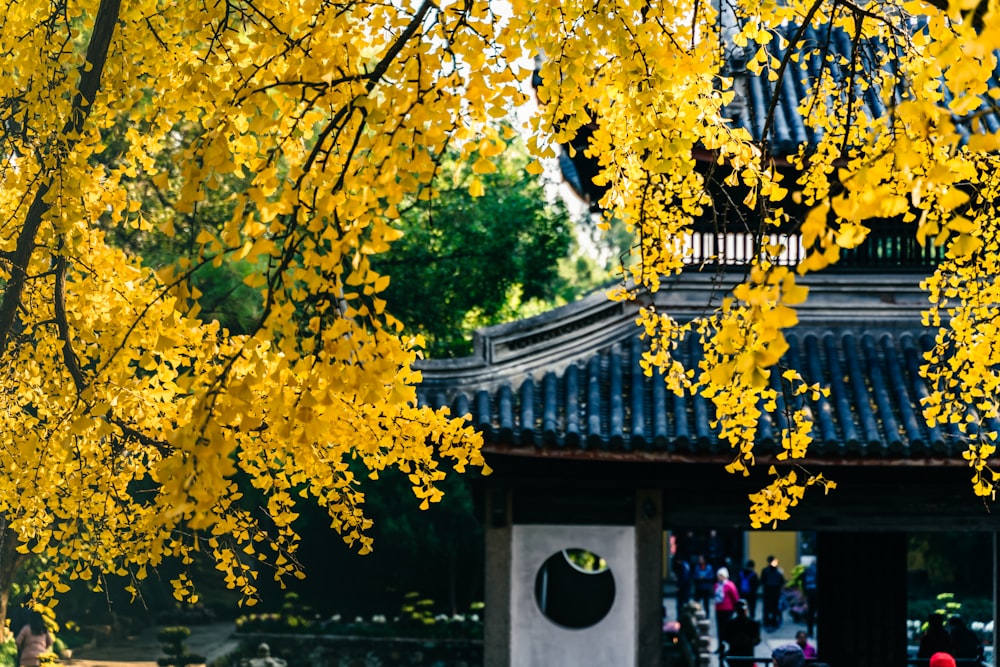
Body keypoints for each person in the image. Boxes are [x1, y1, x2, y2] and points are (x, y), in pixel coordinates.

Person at [725, 600, 760, 667]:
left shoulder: (753, 624)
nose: (742, 613)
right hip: (734, 654)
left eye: (743, 610)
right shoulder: (730, 623)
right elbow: (727, 638)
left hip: (748, 654)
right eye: (740, 611)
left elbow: (757, 639)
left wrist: (747, 640)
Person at [714, 566, 740, 653]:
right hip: (719, 609)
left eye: (721, 575)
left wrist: (736, 608)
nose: (719, 577)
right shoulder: (716, 585)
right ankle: (720, 646)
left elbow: (735, 597)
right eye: (718, 575)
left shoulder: (730, 585)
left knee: (727, 629)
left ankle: (729, 647)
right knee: (720, 629)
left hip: (728, 609)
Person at [760, 555, 785, 631]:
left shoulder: (774, 571)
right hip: (771, 592)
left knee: (771, 608)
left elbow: (762, 580)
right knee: (770, 609)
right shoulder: (772, 571)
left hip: (772, 593)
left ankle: (770, 621)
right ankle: (770, 621)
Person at [802, 560, 818, 637]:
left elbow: (803, 584)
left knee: (810, 614)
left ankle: (810, 632)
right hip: (816, 593)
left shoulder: (806, 571)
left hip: (809, 594)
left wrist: (805, 596)